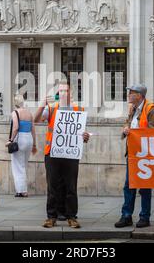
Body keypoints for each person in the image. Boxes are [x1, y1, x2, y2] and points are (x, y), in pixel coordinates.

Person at [34, 80, 90, 228]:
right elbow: (36, 120)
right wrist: (42, 104)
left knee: (71, 186)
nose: (63, 93)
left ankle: (72, 216)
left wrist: (85, 137)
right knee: (53, 186)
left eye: (66, 90)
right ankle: (51, 217)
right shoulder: (51, 108)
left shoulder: (79, 109)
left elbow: (82, 133)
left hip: (71, 153)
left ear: (71, 93)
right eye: (60, 91)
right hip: (52, 153)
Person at [115, 84, 154, 228]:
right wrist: (125, 131)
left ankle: (144, 217)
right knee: (129, 185)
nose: (128, 95)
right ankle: (126, 215)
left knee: (145, 187)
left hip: (145, 154)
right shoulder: (133, 109)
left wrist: (135, 132)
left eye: (131, 93)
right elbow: (127, 127)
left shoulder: (151, 109)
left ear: (140, 95)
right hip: (133, 154)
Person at [7, 94, 37, 197]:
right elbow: (33, 129)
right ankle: (22, 189)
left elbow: (15, 127)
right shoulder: (29, 113)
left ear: (15, 102)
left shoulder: (15, 113)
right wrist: (34, 144)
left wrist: (10, 140)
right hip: (29, 139)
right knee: (23, 164)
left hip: (20, 139)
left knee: (18, 166)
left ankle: (21, 190)